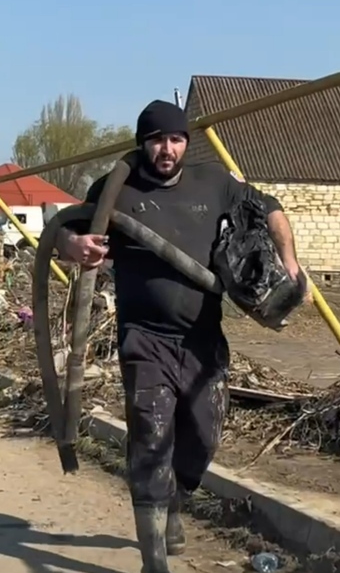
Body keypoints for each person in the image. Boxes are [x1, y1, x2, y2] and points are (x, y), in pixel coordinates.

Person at [57, 100, 306, 573]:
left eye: (174, 139)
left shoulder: (212, 182)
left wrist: (288, 261)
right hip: (144, 338)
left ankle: (174, 501)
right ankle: (154, 558)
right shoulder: (115, 189)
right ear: (142, 143)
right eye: (155, 139)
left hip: (202, 338)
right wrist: (76, 245)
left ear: (185, 142)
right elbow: (65, 230)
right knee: (150, 438)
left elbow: (269, 207)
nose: (165, 149)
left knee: (203, 437)